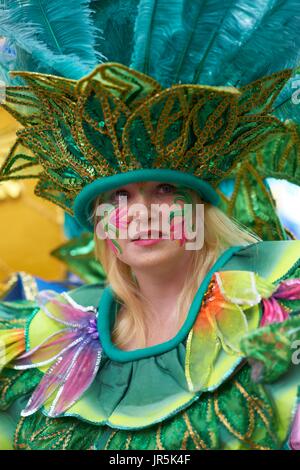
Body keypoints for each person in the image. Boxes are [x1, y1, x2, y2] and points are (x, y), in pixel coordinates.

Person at [0, 0, 300, 451]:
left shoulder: (284, 306)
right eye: (119, 197)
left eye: (164, 191)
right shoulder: (38, 343)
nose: (142, 215)